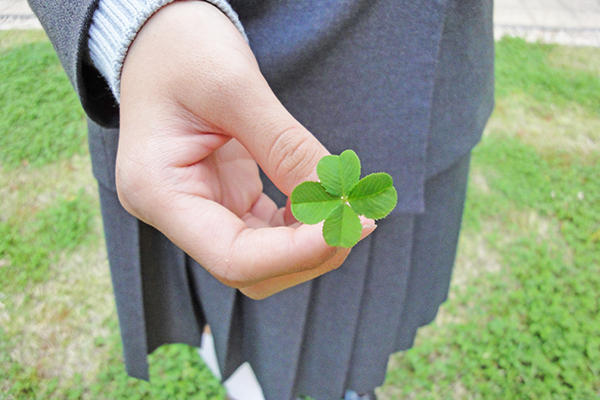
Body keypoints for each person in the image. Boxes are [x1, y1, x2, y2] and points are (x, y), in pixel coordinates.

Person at [28, 0, 494, 398]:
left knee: (354, 349)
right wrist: (130, 14)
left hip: (424, 96)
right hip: (184, 106)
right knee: (229, 322)